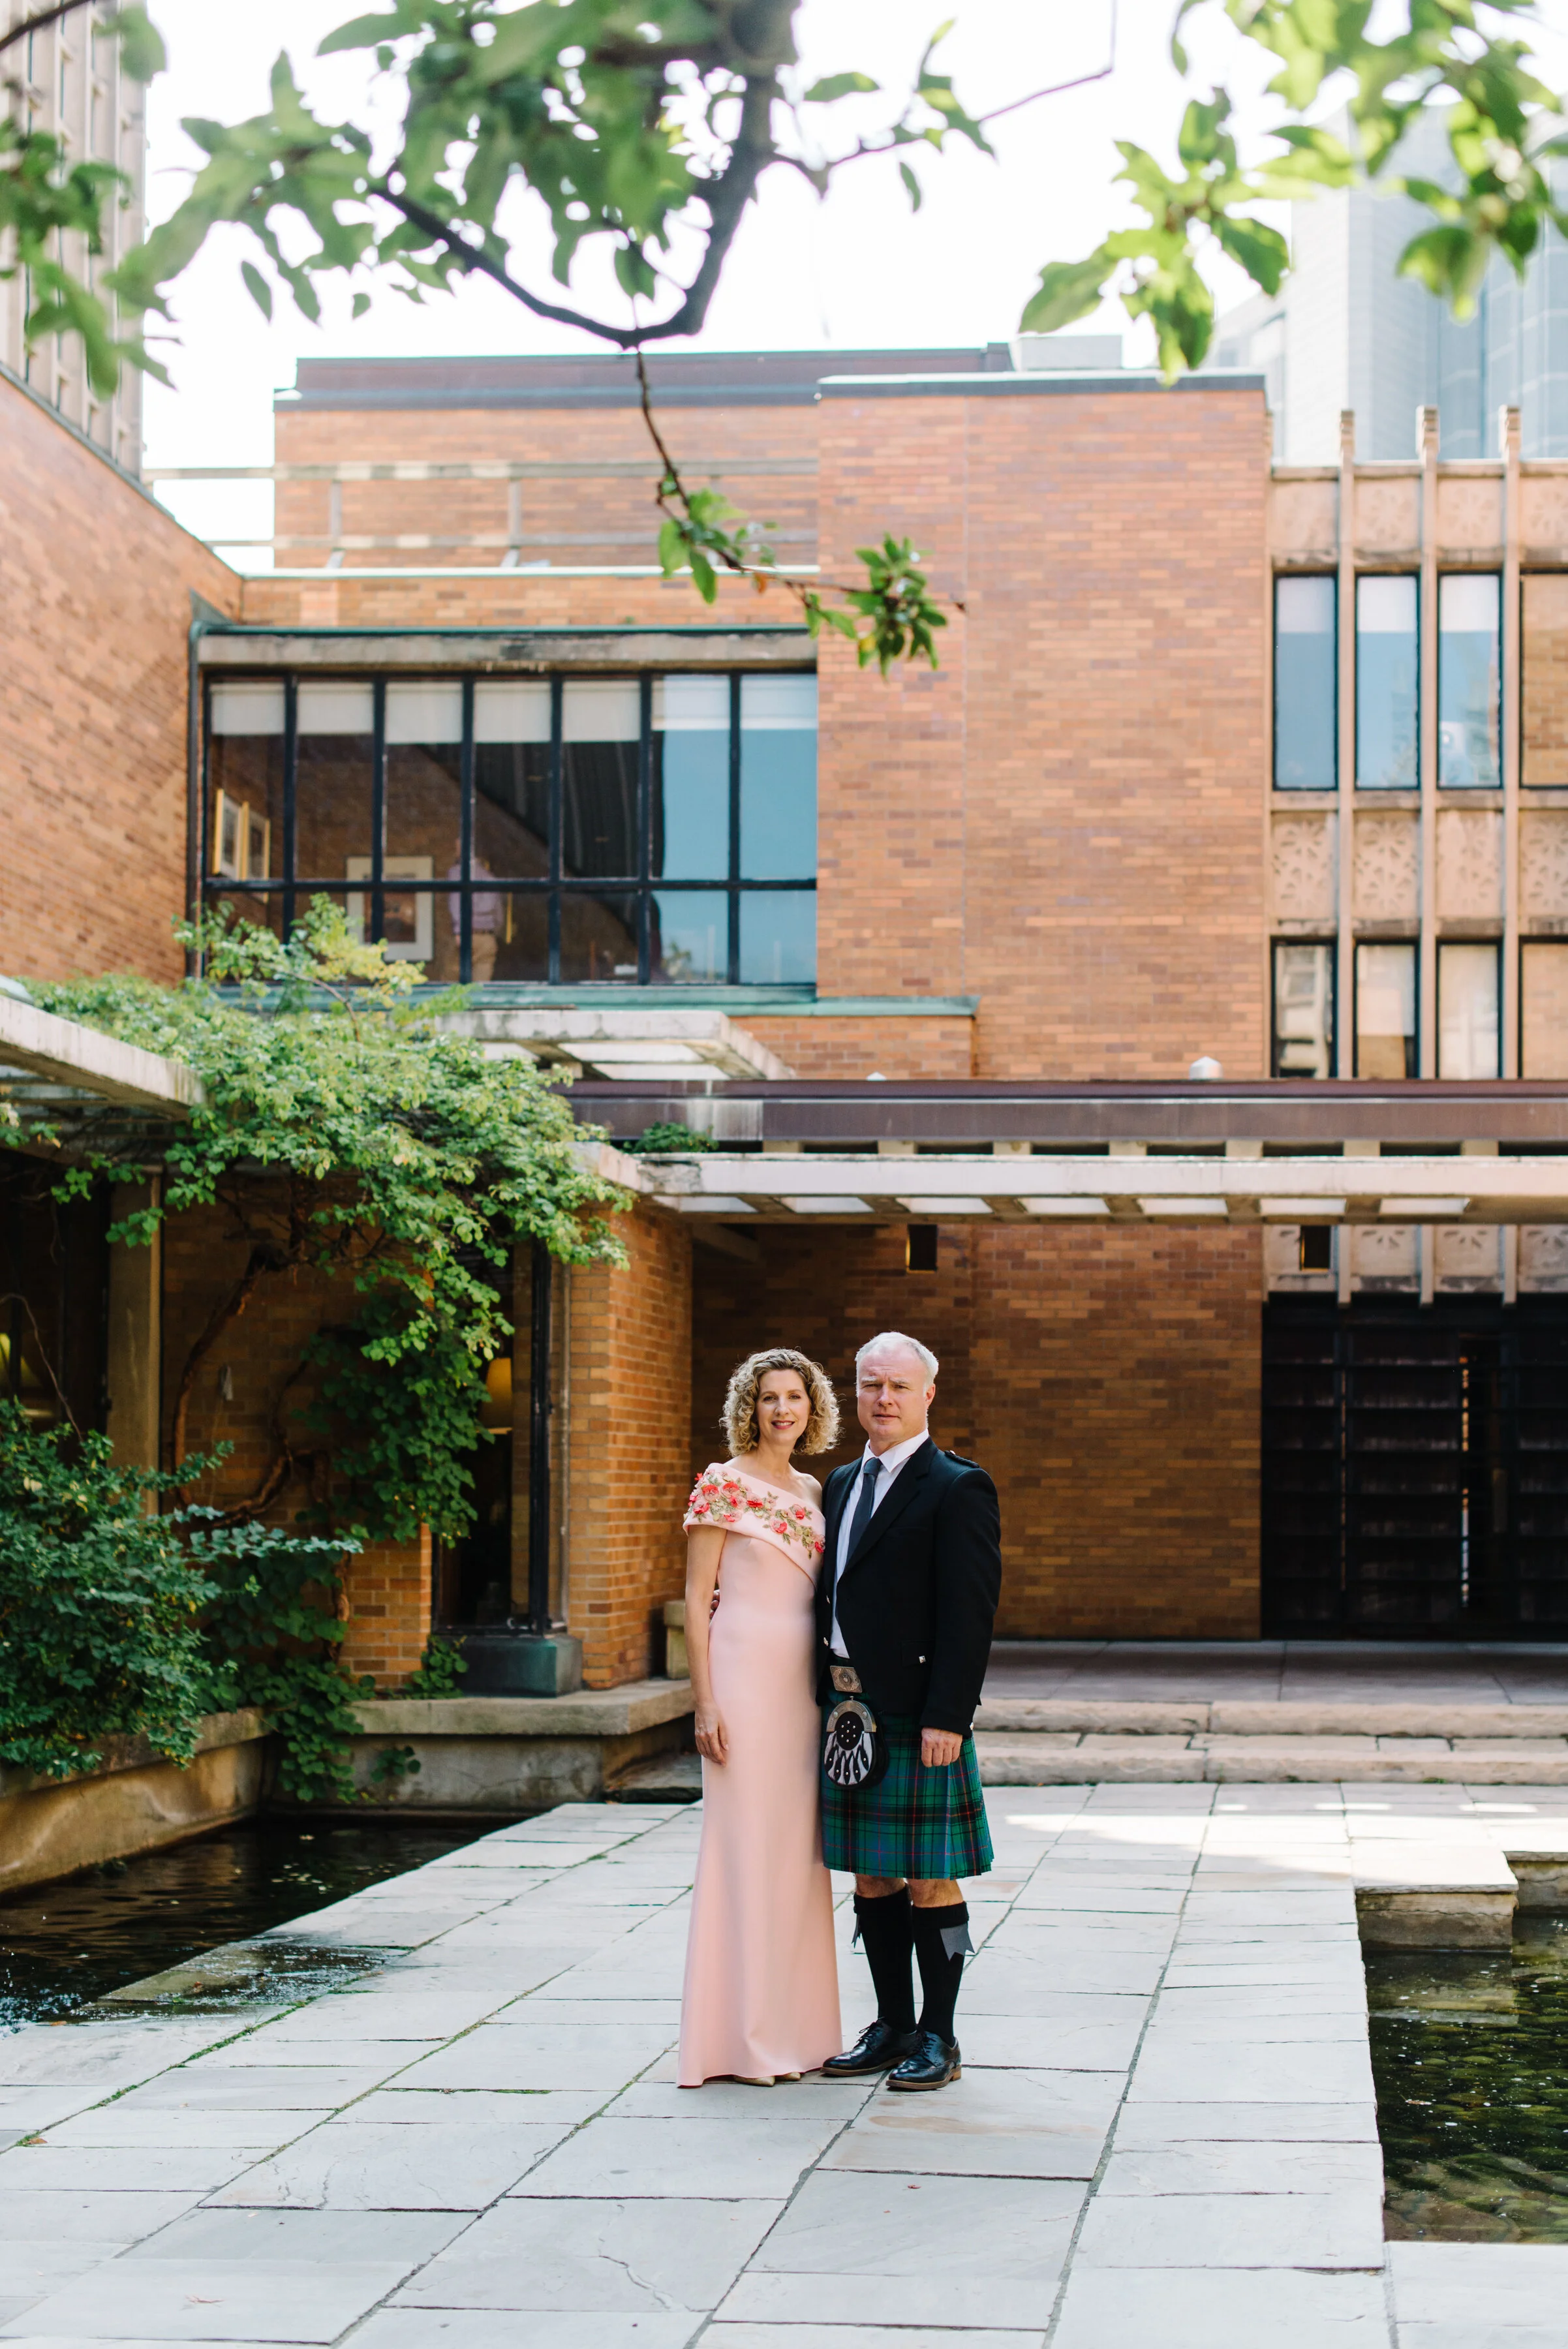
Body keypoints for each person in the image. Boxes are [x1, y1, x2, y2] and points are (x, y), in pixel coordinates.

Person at [818, 1332, 1001, 2092]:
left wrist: (948, 1716)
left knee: (931, 1878)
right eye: (871, 1385)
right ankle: (892, 2026)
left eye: (898, 1385)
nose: (883, 1398)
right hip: (846, 1709)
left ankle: (940, 2037)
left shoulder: (957, 1487)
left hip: (917, 1708)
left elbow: (969, 1613)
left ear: (928, 1393)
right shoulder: (838, 1483)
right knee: (871, 1876)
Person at [677, 1348, 844, 2086]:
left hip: (802, 1693)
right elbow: (696, 1600)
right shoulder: (723, 1482)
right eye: (769, 1397)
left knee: (796, 1860)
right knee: (742, 1851)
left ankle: (798, 2035)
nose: (782, 1410)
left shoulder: (813, 1488)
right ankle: (737, 2043)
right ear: (750, 1406)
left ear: (812, 1408)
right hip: (742, 1683)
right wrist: (705, 1701)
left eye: (794, 1397)